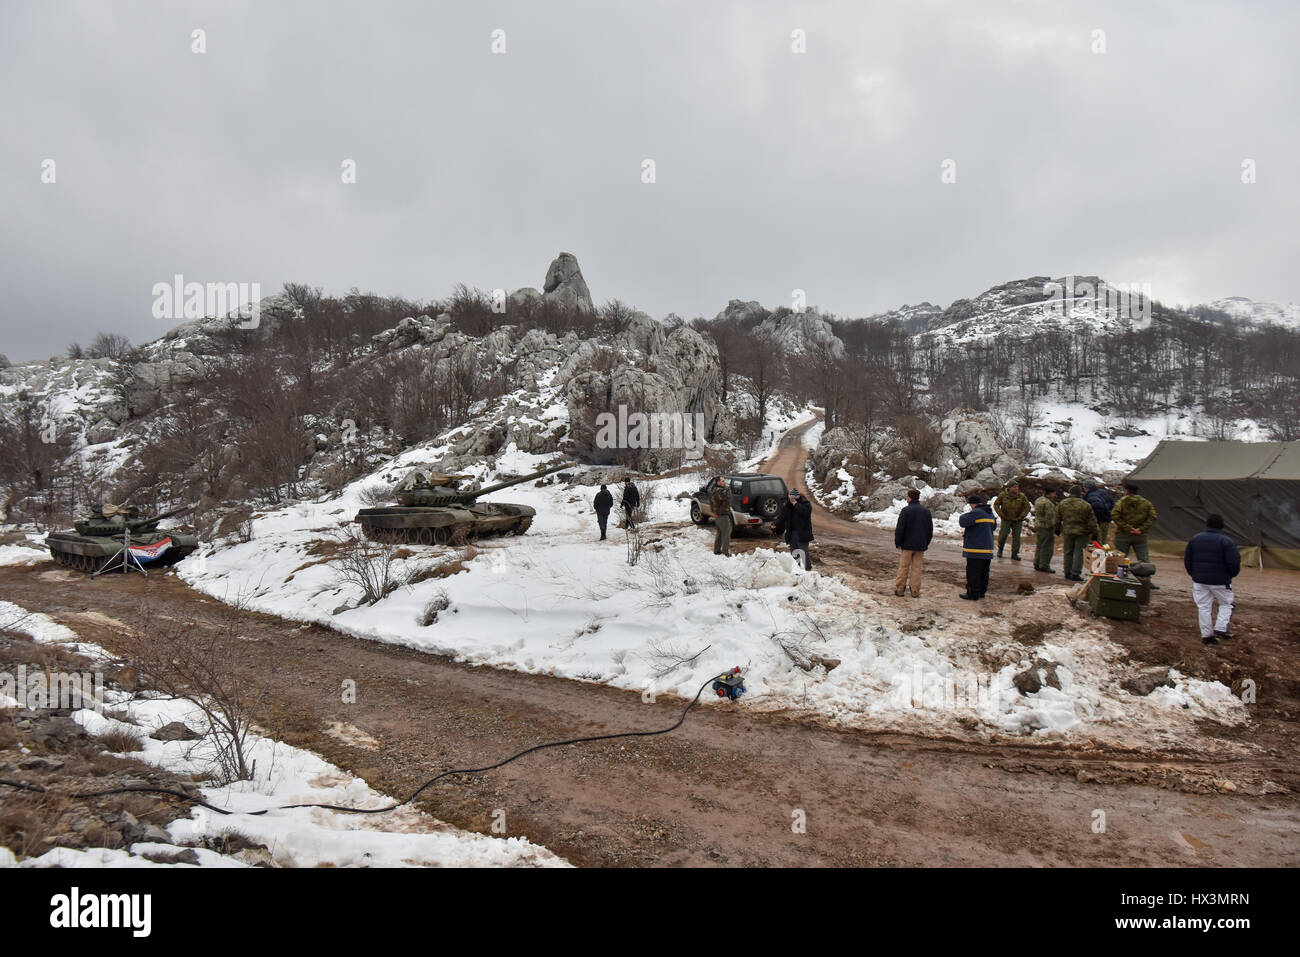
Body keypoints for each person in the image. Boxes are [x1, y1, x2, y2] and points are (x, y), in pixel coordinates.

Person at [1183, 514, 1240, 645]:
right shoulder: (1226, 542)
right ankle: (1221, 628)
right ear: (1222, 526)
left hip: (1200, 580)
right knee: (1227, 604)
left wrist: (1194, 574)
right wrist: (1230, 575)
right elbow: (1234, 563)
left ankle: (1207, 636)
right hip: (1221, 581)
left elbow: (1187, 560)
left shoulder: (1195, 539)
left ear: (1207, 524)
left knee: (1203, 607)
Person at [893, 488, 933, 597]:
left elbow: (900, 528)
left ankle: (900, 590)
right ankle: (915, 591)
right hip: (920, 545)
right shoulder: (926, 511)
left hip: (907, 545)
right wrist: (926, 542)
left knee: (904, 567)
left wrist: (898, 542)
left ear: (909, 497)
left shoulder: (906, 510)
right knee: (917, 569)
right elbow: (930, 529)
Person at [1056, 485, 1100, 581]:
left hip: (1067, 531)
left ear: (1070, 493)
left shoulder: (1063, 503)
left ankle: (1067, 572)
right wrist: (1095, 533)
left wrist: (1057, 528)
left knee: (1068, 552)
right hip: (1082, 532)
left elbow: (1057, 517)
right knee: (1079, 553)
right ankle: (1075, 573)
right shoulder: (1086, 505)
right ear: (1080, 494)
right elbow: (1092, 521)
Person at [957, 494, 997, 600]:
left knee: (973, 572)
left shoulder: (976, 513)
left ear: (973, 504)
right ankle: (981, 592)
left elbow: (962, 521)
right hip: (987, 548)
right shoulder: (990, 513)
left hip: (975, 549)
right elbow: (994, 527)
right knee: (984, 572)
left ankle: (973, 594)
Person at [1112, 482, 1157, 563]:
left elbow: (1114, 515)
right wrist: (1141, 529)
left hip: (1123, 534)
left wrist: (1128, 528)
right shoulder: (1146, 503)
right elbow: (1152, 517)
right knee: (1144, 559)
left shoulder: (1121, 502)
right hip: (1140, 534)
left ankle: (1120, 575)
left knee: (1120, 559)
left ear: (1126, 491)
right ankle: (1145, 574)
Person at [773, 488, 814, 570]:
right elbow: (782, 517)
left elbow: (804, 512)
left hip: (803, 533)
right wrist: (775, 524)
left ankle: (808, 568)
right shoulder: (788, 506)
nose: (790, 499)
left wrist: (795, 504)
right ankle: (796, 569)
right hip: (792, 533)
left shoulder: (806, 504)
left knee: (803, 552)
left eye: (792, 498)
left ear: (796, 498)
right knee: (794, 552)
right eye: (789, 498)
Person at [993, 481, 1031, 560]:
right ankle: (1000, 550)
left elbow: (1027, 507)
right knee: (1003, 535)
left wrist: (1021, 516)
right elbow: (996, 504)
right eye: (1014, 487)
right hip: (1006, 519)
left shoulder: (1021, 496)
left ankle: (1015, 554)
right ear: (1009, 488)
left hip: (1017, 520)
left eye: (1017, 487)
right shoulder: (1003, 495)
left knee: (1017, 537)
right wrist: (1001, 514)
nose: (1016, 488)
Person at [1032, 488, 1061, 573]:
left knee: (1040, 545)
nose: (1055, 495)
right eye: (1054, 493)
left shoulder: (1039, 500)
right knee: (1047, 547)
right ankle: (1044, 565)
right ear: (1050, 494)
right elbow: (1050, 518)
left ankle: (1037, 563)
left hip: (1038, 525)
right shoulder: (1048, 504)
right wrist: (1055, 527)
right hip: (1046, 527)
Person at [1084, 482, 1116, 548]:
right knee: (1103, 542)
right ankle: (1104, 556)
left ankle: (1098, 557)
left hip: (1099, 521)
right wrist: (1109, 515)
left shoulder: (1092, 495)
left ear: (1087, 488)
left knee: (1096, 543)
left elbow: (1098, 506)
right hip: (1106, 520)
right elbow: (1113, 503)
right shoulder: (1103, 492)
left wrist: (1097, 521)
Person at [709, 477, 733, 556]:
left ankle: (717, 550)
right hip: (722, 515)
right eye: (722, 481)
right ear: (718, 482)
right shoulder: (718, 491)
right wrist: (728, 488)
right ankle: (725, 552)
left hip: (719, 514)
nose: (724, 483)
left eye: (724, 481)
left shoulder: (716, 489)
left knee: (719, 533)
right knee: (726, 533)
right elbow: (726, 496)